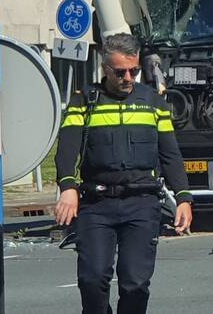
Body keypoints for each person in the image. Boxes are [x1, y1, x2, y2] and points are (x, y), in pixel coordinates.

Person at [54, 33, 193, 314]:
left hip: (141, 203)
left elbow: (170, 154)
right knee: (92, 280)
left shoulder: (153, 102)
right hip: (97, 204)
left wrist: (183, 198)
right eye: (120, 72)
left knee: (135, 284)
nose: (128, 78)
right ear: (105, 69)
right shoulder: (84, 101)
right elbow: (66, 150)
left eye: (134, 71)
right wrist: (67, 187)